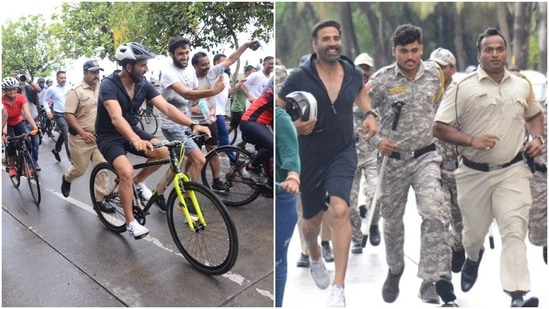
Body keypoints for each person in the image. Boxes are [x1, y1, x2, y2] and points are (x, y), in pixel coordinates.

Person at [433, 27, 543, 307]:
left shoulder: (522, 84)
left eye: (499, 49)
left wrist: (538, 137)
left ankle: (518, 294)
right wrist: (472, 140)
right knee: (473, 234)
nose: (495, 54)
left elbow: (534, 115)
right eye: (488, 50)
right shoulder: (462, 87)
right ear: (479, 54)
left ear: (506, 52)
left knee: (514, 228)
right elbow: (439, 127)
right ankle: (472, 257)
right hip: (473, 174)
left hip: (513, 171)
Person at [277, 19, 378, 307]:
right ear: (315, 45)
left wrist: (370, 114)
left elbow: (360, 93)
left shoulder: (353, 72)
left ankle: (339, 287)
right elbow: (278, 110)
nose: (332, 43)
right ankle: (315, 256)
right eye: (326, 39)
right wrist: (295, 128)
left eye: (336, 38)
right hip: (310, 154)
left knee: (340, 208)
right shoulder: (299, 76)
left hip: (343, 151)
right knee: (310, 223)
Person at [368, 24, 455, 305]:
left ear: (422, 48)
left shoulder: (435, 75)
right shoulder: (380, 81)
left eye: (414, 50)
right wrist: (378, 140)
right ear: (394, 51)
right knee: (392, 223)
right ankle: (395, 270)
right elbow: (361, 121)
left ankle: (429, 280)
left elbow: (444, 113)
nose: (409, 56)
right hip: (392, 163)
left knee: (433, 214)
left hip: (427, 157)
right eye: (403, 51)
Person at [95, 42, 211, 239]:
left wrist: (192, 125)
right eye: (143, 65)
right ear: (129, 66)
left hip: (132, 129)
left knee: (163, 152)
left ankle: (139, 183)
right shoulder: (109, 84)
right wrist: (134, 139)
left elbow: (166, 108)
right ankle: (131, 222)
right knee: (126, 171)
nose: (147, 69)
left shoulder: (143, 84)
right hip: (110, 135)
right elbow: (116, 118)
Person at [154, 35, 222, 212]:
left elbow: (194, 94)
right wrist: (213, 90)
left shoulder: (189, 70)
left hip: (185, 123)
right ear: (171, 54)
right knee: (199, 159)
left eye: (186, 52)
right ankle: (186, 200)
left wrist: (207, 109)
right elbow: (185, 93)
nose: (184, 57)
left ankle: (158, 193)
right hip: (171, 125)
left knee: (183, 163)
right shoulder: (169, 73)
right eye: (180, 54)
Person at [191, 40, 258, 191]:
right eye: (203, 65)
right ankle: (187, 187)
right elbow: (186, 101)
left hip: (210, 121)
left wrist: (246, 45)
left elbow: (231, 59)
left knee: (214, 151)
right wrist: (194, 108)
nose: (207, 67)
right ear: (195, 66)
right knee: (192, 158)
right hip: (193, 124)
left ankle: (216, 182)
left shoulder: (214, 71)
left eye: (208, 63)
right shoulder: (190, 79)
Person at [59, 60, 114, 212]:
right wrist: (83, 133)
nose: (97, 75)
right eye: (93, 72)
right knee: (80, 169)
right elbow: (68, 114)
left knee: (102, 167)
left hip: (98, 138)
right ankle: (67, 178)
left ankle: (99, 201)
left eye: (98, 72)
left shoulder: (102, 88)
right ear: (85, 72)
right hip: (79, 139)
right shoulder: (76, 91)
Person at [429, 47, 466, 273]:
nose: (438, 71)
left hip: (462, 169)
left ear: (452, 68)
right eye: (433, 66)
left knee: (462, 223)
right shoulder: (426, 92)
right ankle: (440, 277)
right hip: (434, 168)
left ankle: (460, 248)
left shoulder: (463, 93)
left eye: (442, 67)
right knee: (437, 221)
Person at [349, 52, 381, 254]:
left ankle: (374, 223)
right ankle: (357, 238)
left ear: (372, 70)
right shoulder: (346, 89)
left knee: (376, 193)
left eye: (367, 68)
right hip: (350, 154)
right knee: (349, 202)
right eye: (360, 67)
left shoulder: (377, 90)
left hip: (372, 152)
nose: (364, 72)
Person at [274, 64, 299, 307]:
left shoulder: (282, 118)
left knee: (278, 261)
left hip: (283, 197)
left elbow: (292, 155)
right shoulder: (265, 112)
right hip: (273, 192)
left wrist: (293, 176)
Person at [239, 76, 273, 184]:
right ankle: (250, 167)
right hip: (251, 122)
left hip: (261, 124)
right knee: (272, 146)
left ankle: (269, 179)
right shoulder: (274, 93)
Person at [2, 77, 39, 177]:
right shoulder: (2, 101)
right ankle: (13, 167)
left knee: (27, 142)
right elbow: (3, 119)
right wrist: (4, 134)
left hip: (18, 121)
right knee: (11, 144)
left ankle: (24, 165)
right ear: (5, 91)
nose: (12, 91)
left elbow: (27, 114)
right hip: (7, 123)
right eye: (9, 89)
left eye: (14, 89)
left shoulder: (21, 97)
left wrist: (35, 127)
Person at [43, 70, 70, 162]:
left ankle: (56, 150)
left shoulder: (70, 87)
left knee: (64, 134)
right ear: (57, 78)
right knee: (67, 135)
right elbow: (45, 100)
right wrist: (48, 111)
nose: (63, 80)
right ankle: (73, 161)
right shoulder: (52, 89)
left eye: (64, 78)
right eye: (61, 78)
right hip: (59, 114)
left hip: (70, 114)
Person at [19, 75, 43, 171]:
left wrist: (28, 80)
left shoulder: (29, 89)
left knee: (35, 145)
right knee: (26, 145)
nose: (20, 81)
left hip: (34, 121)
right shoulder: (14, 93)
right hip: (22, 122)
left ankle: (34, 162)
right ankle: (26, 163)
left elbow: (38, 89)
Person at [228, 65, 256, 139]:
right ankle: (222, 139)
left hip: (242, 108)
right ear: (247, 72)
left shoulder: (250, 83)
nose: (254, 75)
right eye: (253, 73)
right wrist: (248, 96)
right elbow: (239, 87)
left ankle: (243, 144)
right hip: (237, 108)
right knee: (234, 127)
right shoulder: (243, 81)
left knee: (240, 127)